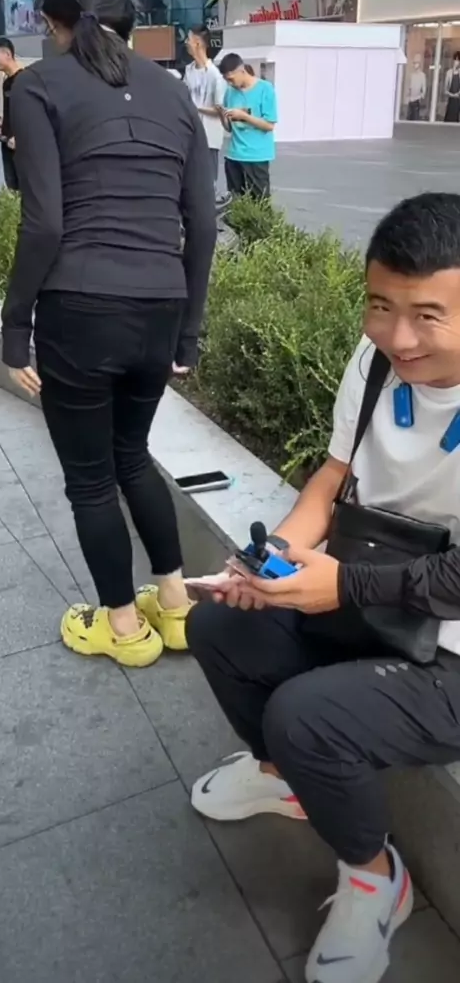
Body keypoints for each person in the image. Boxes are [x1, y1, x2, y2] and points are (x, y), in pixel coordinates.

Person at [187, 192, 460, 983]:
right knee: (221, 627)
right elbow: (332, 479)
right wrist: (270, 563)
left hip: (446, 647)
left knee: (305, 718)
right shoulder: (375, 364)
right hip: (374, 593)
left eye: (428, 315)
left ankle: (377, 879)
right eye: (381, 305)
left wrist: (344, 588)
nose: (398, 337)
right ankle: (287, 780)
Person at [1, 0, 217, 667]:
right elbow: (203, 223)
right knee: (133, 456)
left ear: (49, 21)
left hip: (81, 310)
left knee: (91, 477)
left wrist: (15, 328)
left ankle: (123, 630)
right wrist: (188, 331)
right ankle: (177, 609)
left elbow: (44, 224)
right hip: (161, 306)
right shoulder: (175, 91)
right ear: (127, 17)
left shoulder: (37, 86)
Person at [218, 52, 277, 199]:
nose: (230, 83)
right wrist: (222, 115)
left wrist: (244, 116)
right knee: (235, 202)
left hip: (256, 156)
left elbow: (269, 125)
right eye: (226, 80)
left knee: (259, 203)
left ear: (242, 71)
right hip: (234, 155)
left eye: (231, 79)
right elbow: (229, 128)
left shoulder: (265, 89)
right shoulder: (230, 92)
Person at [183, 25, 225, 186]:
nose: (186, 42)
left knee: (208, 183)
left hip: (209, 138)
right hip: (189, 135)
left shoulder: (216, 75)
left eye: (188, 39)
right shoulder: (189, 71)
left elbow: (219, 109)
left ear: (198, 43)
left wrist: (195, 108)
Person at [0, 36, 23, 190]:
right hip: (7, 144)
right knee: (12, 187)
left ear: (7, 54)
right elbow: (11, 112)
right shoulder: (7, 82)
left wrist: (20, 136)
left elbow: (30, 115)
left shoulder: (24, 80)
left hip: (21, 146)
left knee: (23, 186)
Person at [444, 52, 460, 123]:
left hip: (458, 100)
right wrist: (452, 95)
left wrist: (458, 94)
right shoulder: (449, 73)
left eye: (458, 60)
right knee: (449, 119)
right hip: (450, 100)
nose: (456, 62)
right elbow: (445, 89)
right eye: (455, 60)